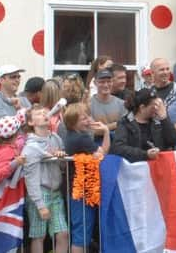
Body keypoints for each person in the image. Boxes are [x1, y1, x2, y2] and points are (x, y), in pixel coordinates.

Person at [63, 102, 110, 253]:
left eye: (88, 116)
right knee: (81, 234)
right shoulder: (81, 138)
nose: (88, 120)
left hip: (79, 190)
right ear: (73, 122)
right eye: (83, 118)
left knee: (81, 232)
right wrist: (106, 132)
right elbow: (102, 153)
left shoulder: (73, 135)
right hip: (80, 192)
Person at [22, 106, 68, 253]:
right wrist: (40, 205)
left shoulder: (56, 138)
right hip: (39, 194)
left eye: (45, 112)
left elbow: (62, 167)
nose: (44, 114)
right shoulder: (30, 147)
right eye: (39, 113)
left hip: (56, 193)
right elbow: (30, 179)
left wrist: (60, 157)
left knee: (63, 234)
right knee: (38, 236)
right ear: (30, 122)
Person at [111, 88, 176, 162]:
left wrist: (164, 119)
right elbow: (118, 148)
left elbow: (173, 141)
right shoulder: (125, 122)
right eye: (153, 106)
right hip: (135, 166)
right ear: (142, 108)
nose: (156, 109)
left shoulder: (159, 121)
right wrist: (145, 154)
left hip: (158, 165)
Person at [89, 69, 127, 142]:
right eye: (102, 82)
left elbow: (125, 129)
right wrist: (116, 124)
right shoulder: (88, 105)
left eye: (109, 81)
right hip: (96, 146)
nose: (106, 85)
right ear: (95, 83)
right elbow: (93, 131)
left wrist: (104, 128)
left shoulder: (122, 104)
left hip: (118, 144)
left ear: (112, 82)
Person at [0, 64, 25, 129]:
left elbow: (33, 125)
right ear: (1, 80)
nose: (17, 80)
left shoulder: (23, 100)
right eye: (13, 77)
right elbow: (8, 128)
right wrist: (21, 112)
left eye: (18, 77)